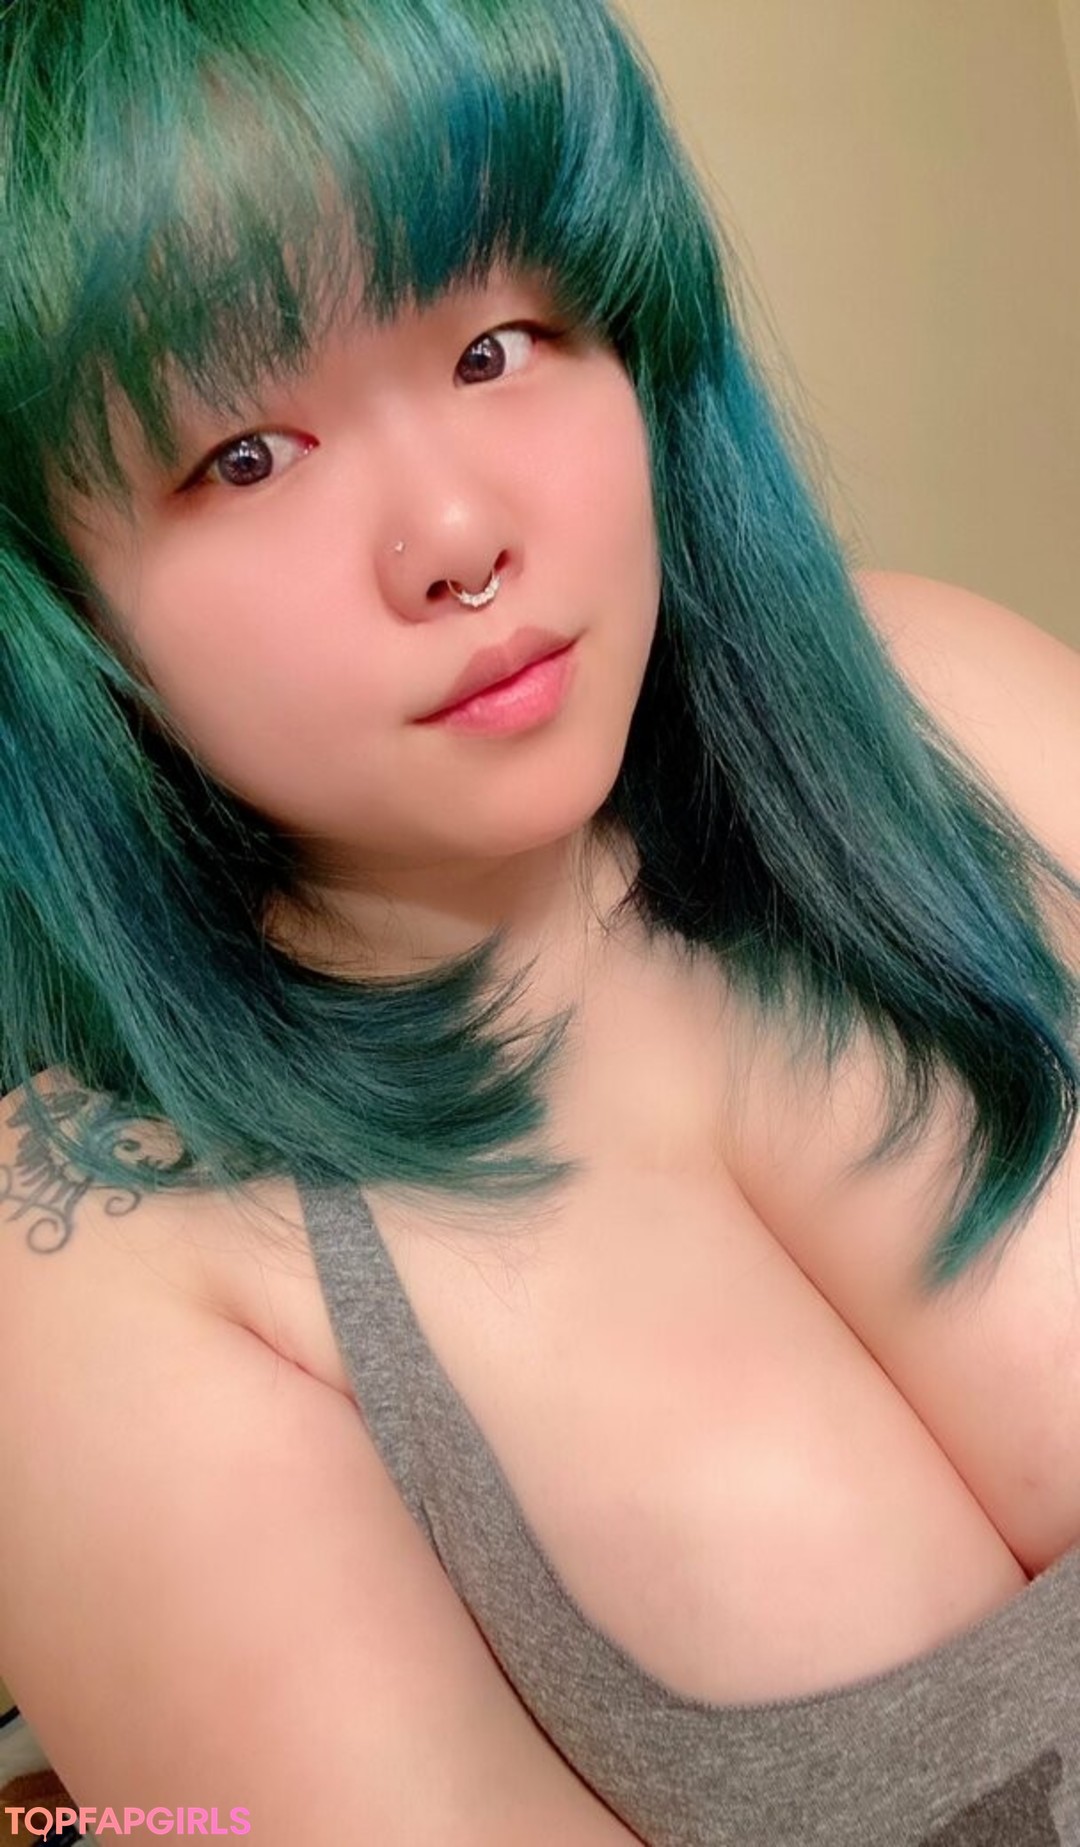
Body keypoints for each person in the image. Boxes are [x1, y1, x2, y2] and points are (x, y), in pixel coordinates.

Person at [0, 1, 1078, 1842]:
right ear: (59, 605)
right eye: (246, 453)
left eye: (496, 345)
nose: (454, 533)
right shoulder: (96, 1273)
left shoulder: (946, 699)